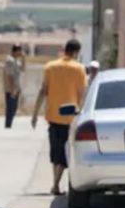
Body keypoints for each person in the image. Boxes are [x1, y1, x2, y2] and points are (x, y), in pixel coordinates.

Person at [31, 39, 90, 196]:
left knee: (55, 151)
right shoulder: (79, 69)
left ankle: (55, 184)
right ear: (77, 52)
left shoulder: (50, 67)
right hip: (71, 117)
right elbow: (82, 94)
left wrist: (35, 114)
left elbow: (43, 91)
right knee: (64, 154)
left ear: (65, 50)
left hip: (53, 116)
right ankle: (56, 184)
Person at [3, 44, 25, 129]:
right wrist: (12, 90)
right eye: (20, 51)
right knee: (10, 109)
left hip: (16, 89)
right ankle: (8, 126)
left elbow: (23, 69)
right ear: (15, 51)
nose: (21, 53)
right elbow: (9, 76)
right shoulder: (10, 61)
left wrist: (24, 58)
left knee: (14, 108)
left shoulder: (16, 61)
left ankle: (9, 125)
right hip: (11, 89)